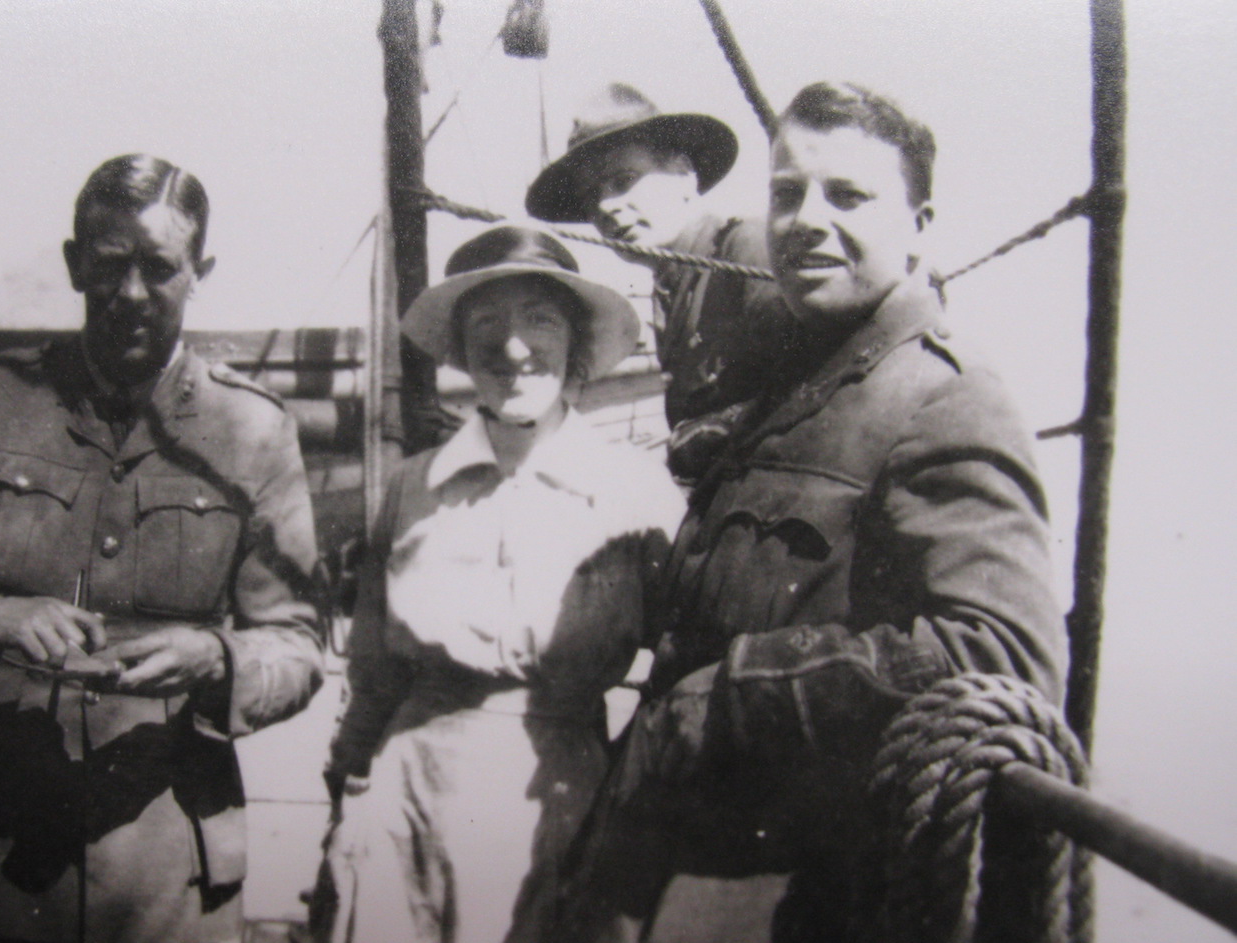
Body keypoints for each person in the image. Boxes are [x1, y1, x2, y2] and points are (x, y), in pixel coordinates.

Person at [554, 82, 1066, 942]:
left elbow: (1004, 652)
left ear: (921, 224)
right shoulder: (794, 378)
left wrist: (726, 694)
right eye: (786, 193)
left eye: (849, 196)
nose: (803, 221)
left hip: (808, 889)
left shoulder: (942, 396)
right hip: (690, 858)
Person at [0, 154, 325, 943]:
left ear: (198, 271)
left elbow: (299, 643)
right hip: (0, 857)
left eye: (159, 267)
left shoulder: (253, 431)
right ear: (75, 265)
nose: (132, 293)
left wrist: (217, 658)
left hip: (168, 872)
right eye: (109, 265)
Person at [315, 226, 687, 943]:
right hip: (407, 806)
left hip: (561, 806)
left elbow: (680, 669)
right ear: (460, 346)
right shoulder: (413, 485)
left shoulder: (637, 491)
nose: (513, 346)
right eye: (487, 322)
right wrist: (345, 808)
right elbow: (372, 673)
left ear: (575, 344)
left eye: (539, 319)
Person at [525, 83, 797, 478]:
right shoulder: (671, 286)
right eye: (590, 196)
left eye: (623, 180)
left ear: (684, 174)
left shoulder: (745, 250)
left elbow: (808, 389)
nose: (605, 207)